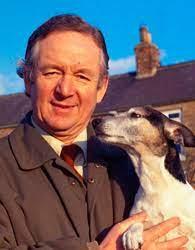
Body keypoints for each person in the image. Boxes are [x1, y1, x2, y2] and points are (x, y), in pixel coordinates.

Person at [0, 14, 188, 250]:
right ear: (28, 80)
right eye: (52, 72)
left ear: (101, 88)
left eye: (81, 76)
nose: (65, 89)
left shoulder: (134, 165)